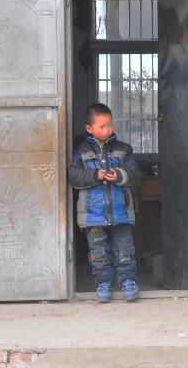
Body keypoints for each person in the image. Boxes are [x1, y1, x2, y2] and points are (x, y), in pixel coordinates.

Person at [69, 103, 142, 302]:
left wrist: (119, 174)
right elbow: (73, 176)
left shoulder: (123, 149)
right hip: (93, 216)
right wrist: (94, 175)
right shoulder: (81, 151)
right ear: (89, 129)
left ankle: (128, 281)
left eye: (109, 125)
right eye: (102, 126)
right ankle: (103, 283)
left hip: (121, 214)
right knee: (98, 252)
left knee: (125, 250)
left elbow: (135, 174)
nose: (107, 130)